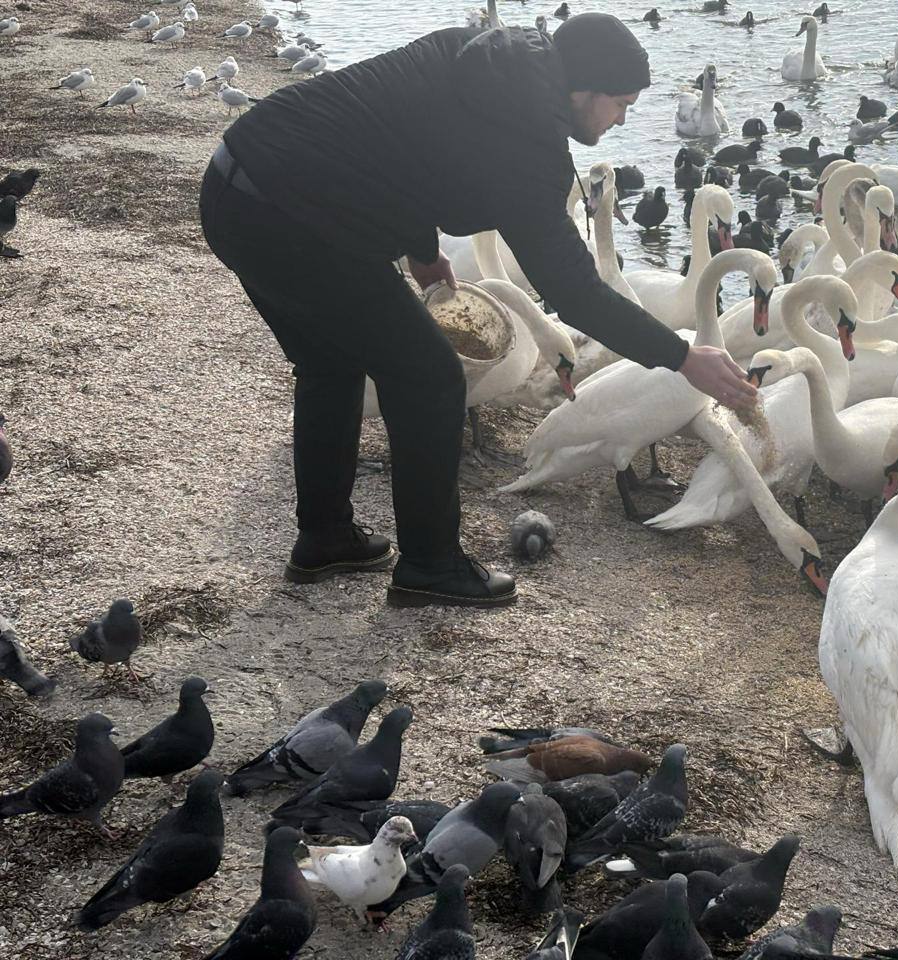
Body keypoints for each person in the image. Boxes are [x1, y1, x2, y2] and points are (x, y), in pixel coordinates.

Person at [199, 13, 755, 610]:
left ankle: (325, 537)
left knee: (331, 363)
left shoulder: (474, 54)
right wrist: (679, 355)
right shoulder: (528, 150)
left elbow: (398, 140)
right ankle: (430, 564)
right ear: (583, 89)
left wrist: (422, 247)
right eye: (619, 103)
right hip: (289, 217)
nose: (622, 118)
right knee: (431, 377)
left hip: (235, 185)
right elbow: (574, 291)